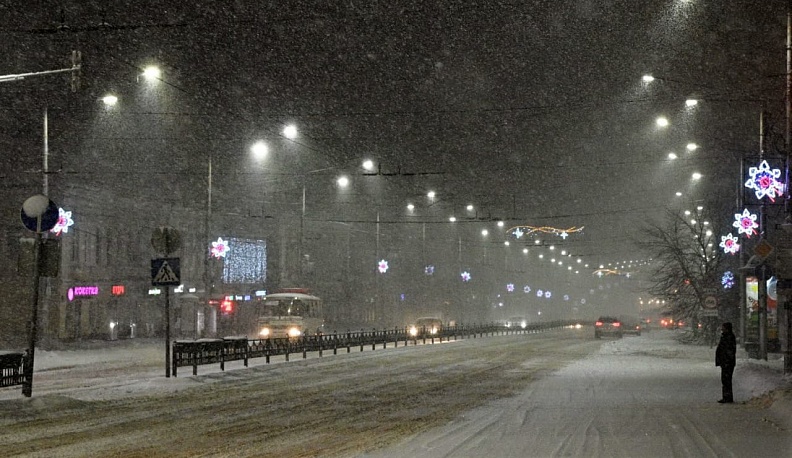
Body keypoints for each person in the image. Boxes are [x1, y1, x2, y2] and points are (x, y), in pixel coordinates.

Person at [715, 322, 737, 404]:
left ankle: (727, 397)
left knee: (726, 380)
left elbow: (729, 350)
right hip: (726, 362)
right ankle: (726, 396)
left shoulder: (729, 337)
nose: (722, 329)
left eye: (723, 328)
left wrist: (726, 360)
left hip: (727, 362)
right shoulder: (726, 336)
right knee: (725, 380)